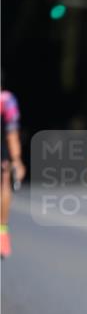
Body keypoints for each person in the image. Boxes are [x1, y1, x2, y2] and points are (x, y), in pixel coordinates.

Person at [1, 82, 26, 258]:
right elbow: (11, 134)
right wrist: (16, 161)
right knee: (5, 175)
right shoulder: (6, 100)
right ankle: (2, 232)